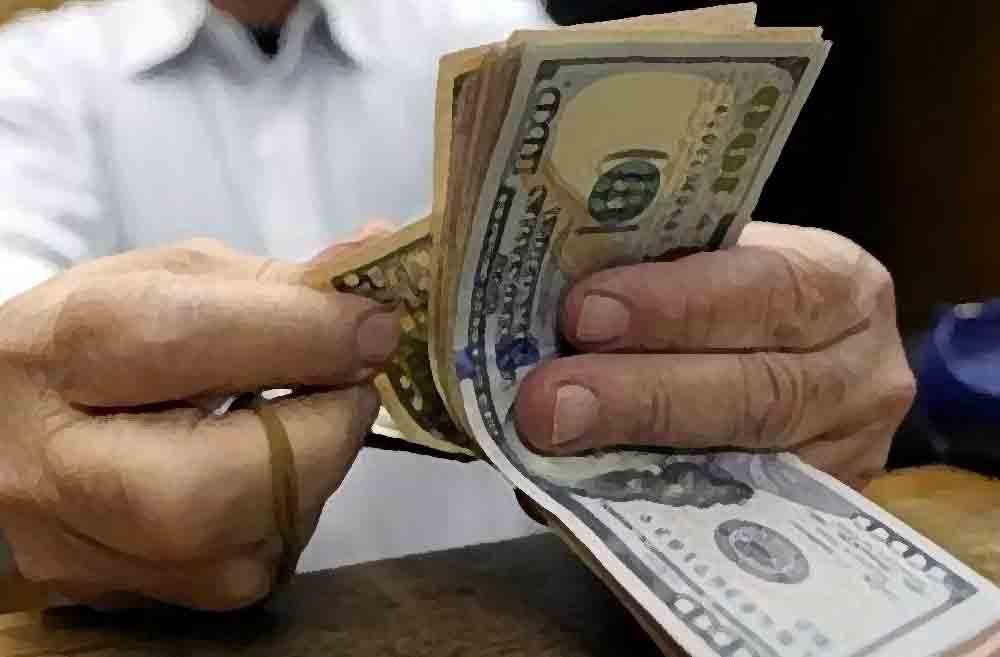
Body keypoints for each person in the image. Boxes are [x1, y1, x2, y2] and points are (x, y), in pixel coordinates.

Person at [0, 0, 915, 611]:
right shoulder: (35, 79)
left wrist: (783, 342)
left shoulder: (491, 26)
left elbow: (654, 259)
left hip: (530, 616)